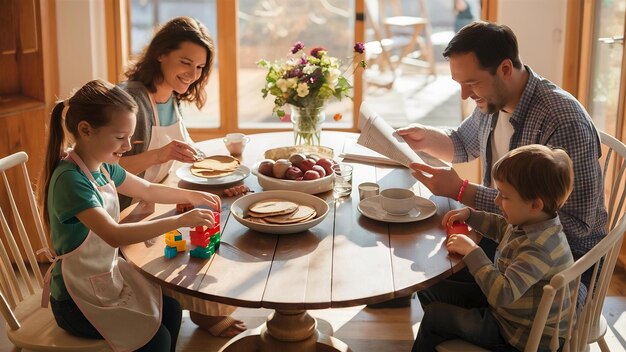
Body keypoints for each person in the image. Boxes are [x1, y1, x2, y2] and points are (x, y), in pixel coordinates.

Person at [396, 21, 606, 293]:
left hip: (557, 274)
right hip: (510, 238)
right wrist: (425, 138)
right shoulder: (493, 101)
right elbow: (464, 142)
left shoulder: (562, 120)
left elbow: (574, 227)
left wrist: (462, 191)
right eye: (460, 84)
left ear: (505, 69)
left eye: (471, 83)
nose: (465, 95)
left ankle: (477, 331)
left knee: (432, 275)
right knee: (420, 252)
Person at [40, 79, 221, 352]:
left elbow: (146, 189)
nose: (127, 147)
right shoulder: (71, 180)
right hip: (73, 301)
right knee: (157, 338)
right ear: (86, 130)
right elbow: (114, 235)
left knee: (171, 309)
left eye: (130, 137)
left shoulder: (102, 166)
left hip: (103, 279)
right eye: (120, 137)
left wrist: (190, 196)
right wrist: (181, 221)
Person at [117, 16, 246, 337]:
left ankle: (204, 310)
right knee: (209, 233)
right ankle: (201, 310)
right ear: (161, 54)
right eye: (186, 62)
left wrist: (222, 182)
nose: (193, 73)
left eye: (200, 67)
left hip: (158, 198)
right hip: (127, 212)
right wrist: (162, 155)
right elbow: (109, 171)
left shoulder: (171, 95)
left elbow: (185, 157)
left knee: (221, 218)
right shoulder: (130, 99)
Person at [413, 144, 576, 351]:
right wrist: (472, 215)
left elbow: (503, 294)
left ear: (536, 205)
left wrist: (473, 252)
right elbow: (501, 226)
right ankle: (446, 335)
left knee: (436, 317)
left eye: (504, 196)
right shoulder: (532, 221)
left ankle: (445, 331)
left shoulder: (539, 248)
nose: (497, 201)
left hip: (516, 335)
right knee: (429, 287)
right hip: (507, 313)